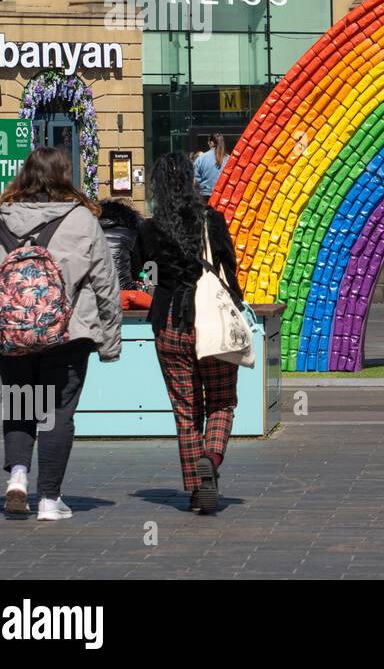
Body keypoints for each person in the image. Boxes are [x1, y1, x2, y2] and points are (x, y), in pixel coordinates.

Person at [0, 147, 122, 522]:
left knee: (21, 407)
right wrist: (110, 343)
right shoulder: (83, 220)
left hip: (12, 338)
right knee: (57, 412)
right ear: (65, 176)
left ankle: (17, 479)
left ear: (25, 176)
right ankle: (50, 500)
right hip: (69, 336)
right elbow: (106, 284)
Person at [132, 152, 244, 515]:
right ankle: (211, 460)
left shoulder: (149, 228)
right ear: (191, 181)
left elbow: (139, 271)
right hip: (210, 323)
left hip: (169, 325)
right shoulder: (212, 220)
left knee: (185, 409)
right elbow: (228, 267)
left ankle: (197, 491)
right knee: (222, 400)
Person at [98, 198, 145, 293]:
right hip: (124, 289)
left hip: (97, 291)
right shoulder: (130, 232)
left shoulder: (93, 229)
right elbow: (137, 268)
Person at [192, 133, 228, 201]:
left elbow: (195, 180)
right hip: (223, 199)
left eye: (208, 142)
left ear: (211, 143)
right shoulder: (228, 159)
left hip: (205, 197)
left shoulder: (201, 158)